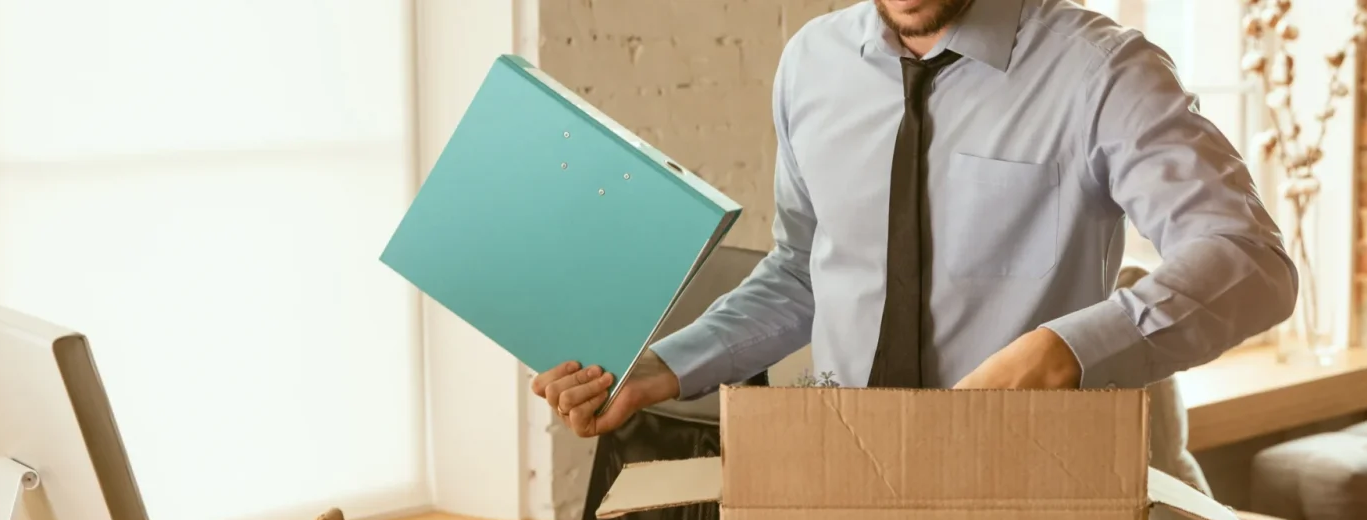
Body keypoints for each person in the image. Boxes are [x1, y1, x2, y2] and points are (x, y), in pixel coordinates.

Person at [536, 0, 1294, 437]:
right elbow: (806, 272)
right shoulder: (810, 64)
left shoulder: (1103, 72)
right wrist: (668, 365)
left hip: (1028, 487)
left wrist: (1063, 351)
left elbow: (1251, 260)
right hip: (840, 475)